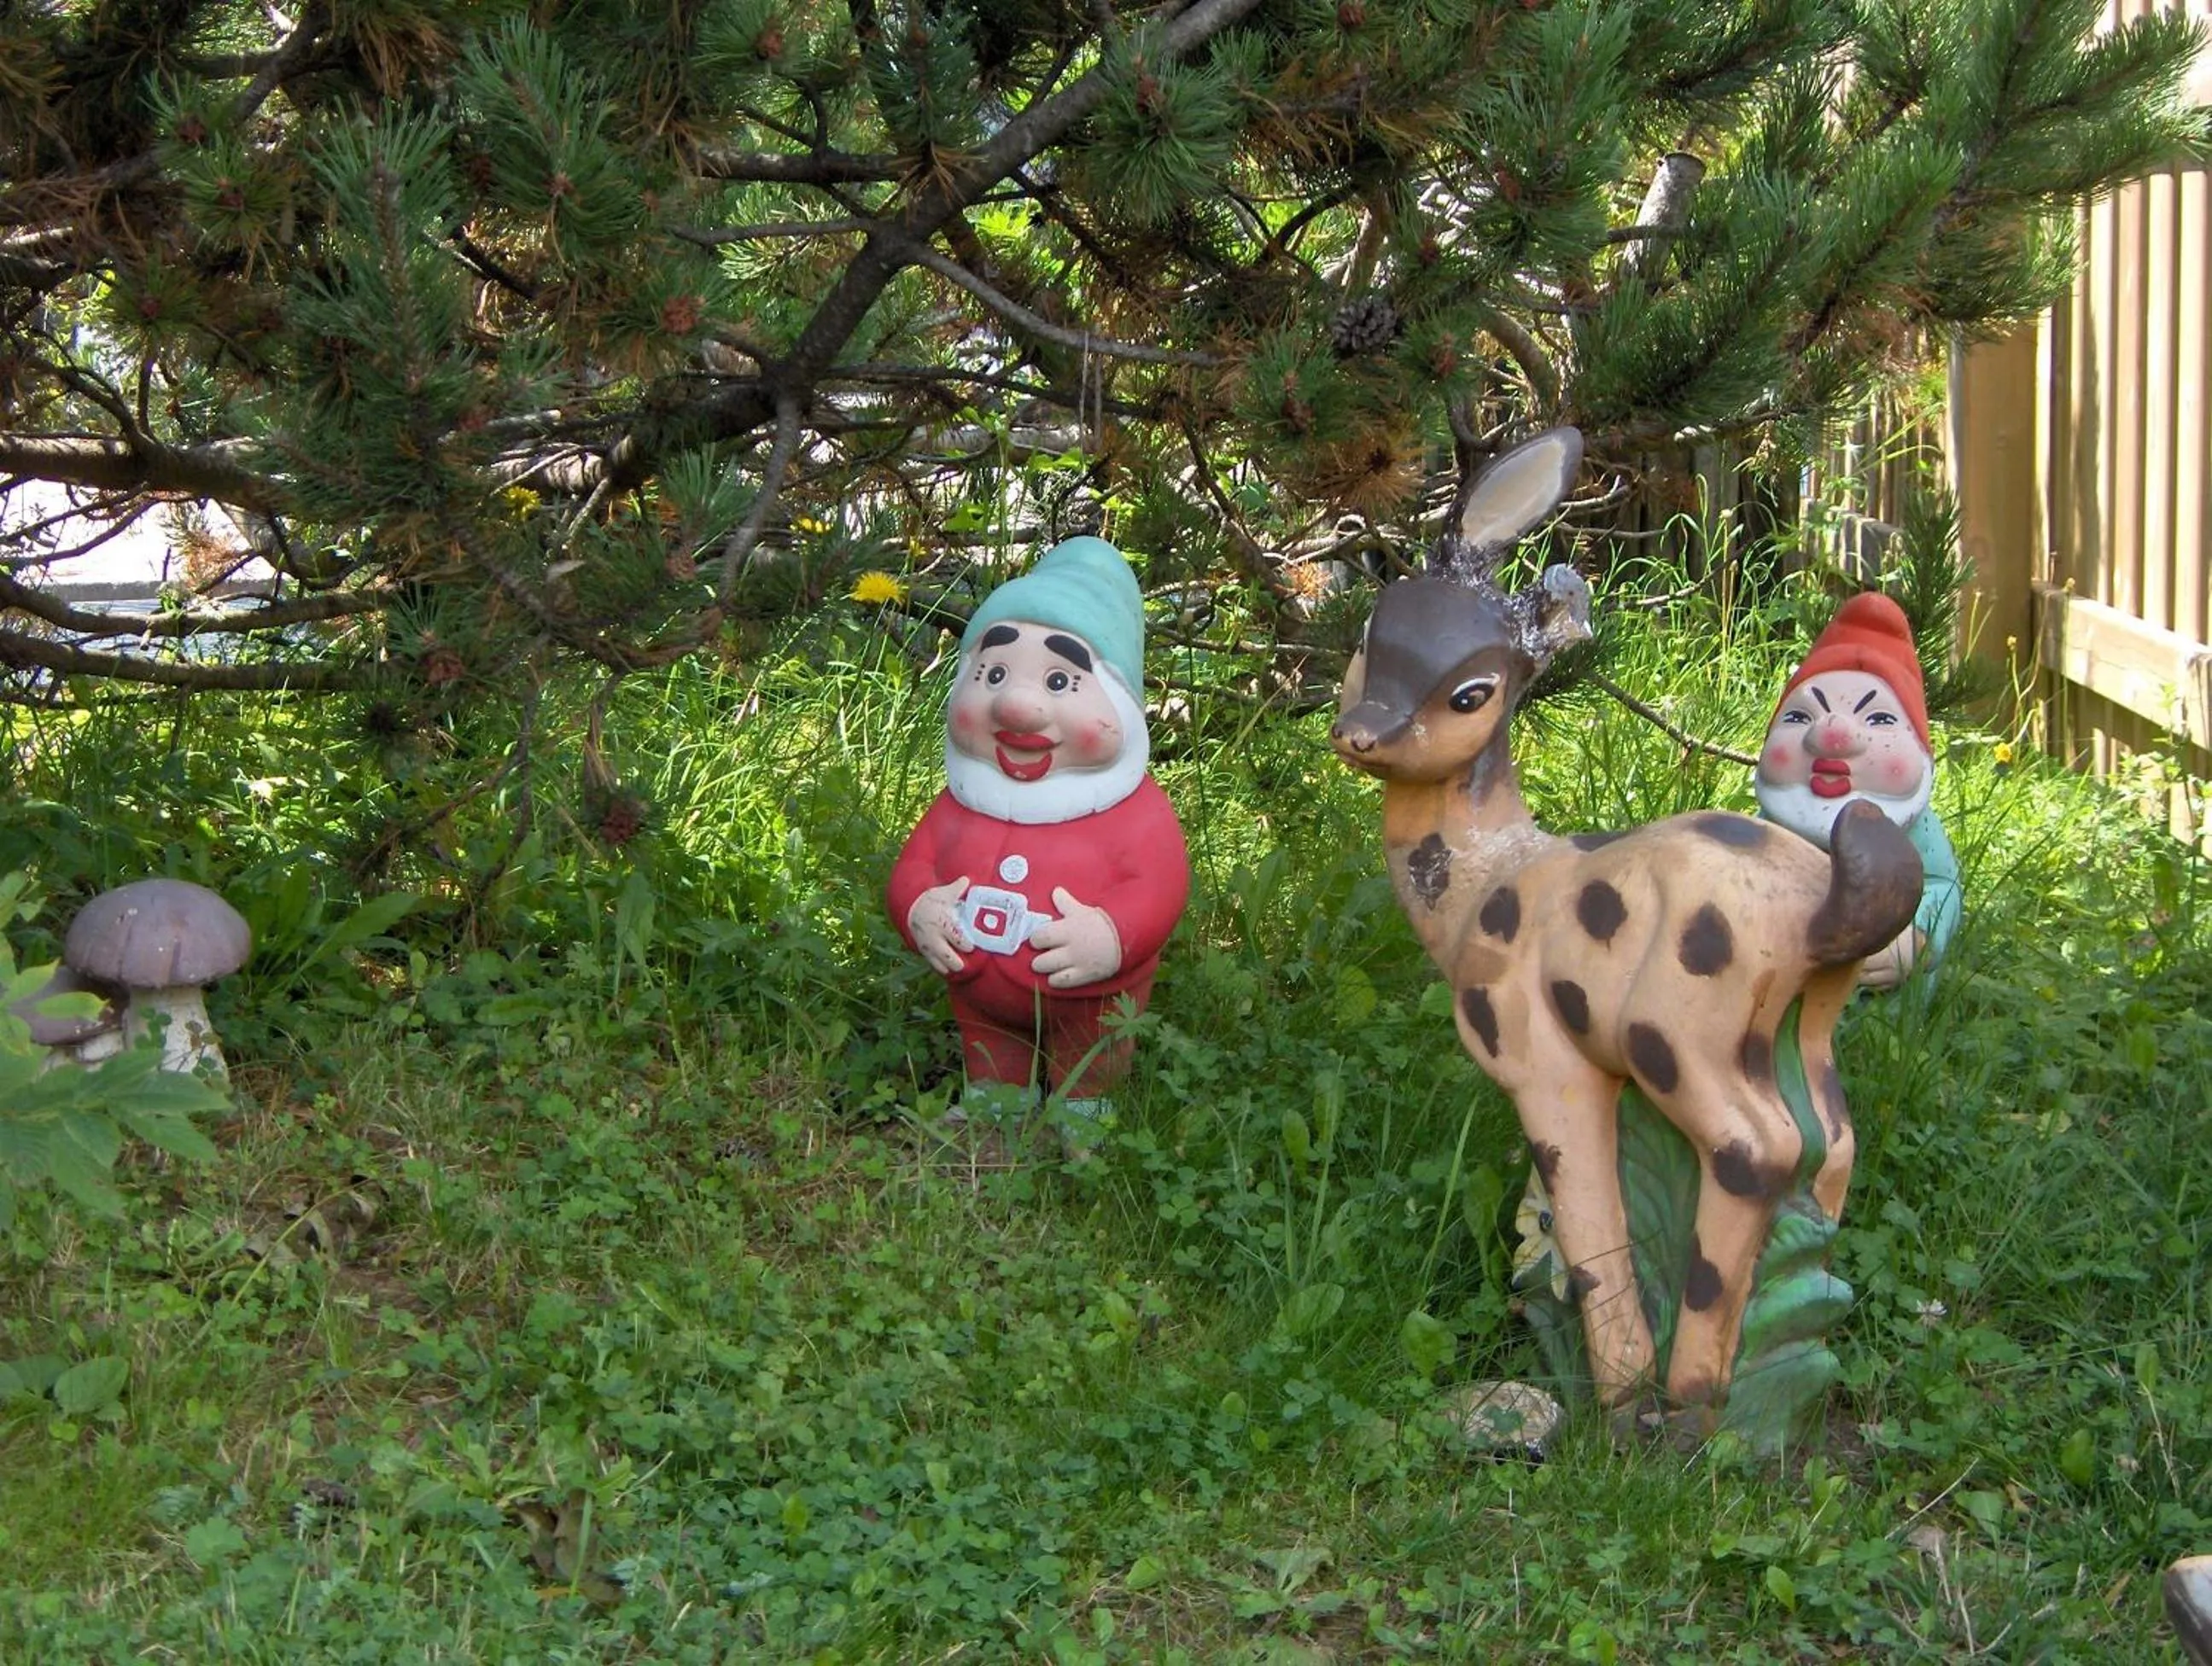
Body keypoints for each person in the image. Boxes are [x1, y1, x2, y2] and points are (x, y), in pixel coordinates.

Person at [888, 537, 1190, 1126]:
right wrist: (918, 907)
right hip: (980, 990)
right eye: (994, 673)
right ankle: (997, 1099)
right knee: (989, 1043)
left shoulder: (1135, 812)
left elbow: (1159, 885)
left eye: (1060, 682)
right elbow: (915, 866)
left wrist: (1114, 933)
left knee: (1090, 1047)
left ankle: (1085, 1106)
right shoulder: (959, 803)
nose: (1015, 706)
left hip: (1088, 995)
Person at [1754, 591, 1961, 987]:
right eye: (1800, 716)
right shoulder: (1771, 825)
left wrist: (1917, 939)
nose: (1831, 735)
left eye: (1879, 718)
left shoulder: (1917, 831)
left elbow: (1941, 885)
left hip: (1881, 998)